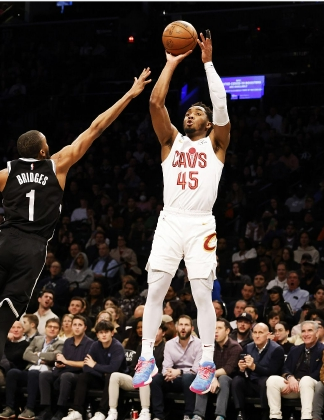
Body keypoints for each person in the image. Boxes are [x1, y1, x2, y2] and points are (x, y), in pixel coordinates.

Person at [0, 68, 151, 420]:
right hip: (32, 251)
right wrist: (130, 95)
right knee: (0, 329)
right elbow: (96, 128)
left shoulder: (3, 174)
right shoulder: (59, 163)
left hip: (1, 244)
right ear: (42, 150)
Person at [135, 31, 231, 395]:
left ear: (207, 124)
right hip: (170, 220)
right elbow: (156, 103)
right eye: (188, 112)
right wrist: (171, 62)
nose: (190, 115)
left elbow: (221, 107)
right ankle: (146, 355)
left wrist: (207, 63)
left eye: (197, 113)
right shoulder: (170, 142)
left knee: (202, 293)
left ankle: (207, 361)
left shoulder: (217, 144)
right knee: (155, 289)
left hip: (201, 223)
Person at [61, 320, 126, 420]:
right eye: (101, 332)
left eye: (106, 332)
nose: (104, 335)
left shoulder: (117, 347)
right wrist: (101, 372)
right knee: (84, 376)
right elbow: (87, 366)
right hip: (101, 378)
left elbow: (113, 368)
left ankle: (101, 412)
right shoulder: (95, 345)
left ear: (112, 333)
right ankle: (77, 411)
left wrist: (95, 365)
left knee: (110, 376)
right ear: (97, 334)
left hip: (117, 382)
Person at [0, 317, 64, 420]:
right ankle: (10, 408)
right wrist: (40, 360)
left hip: (45, 373)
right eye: (50, 327)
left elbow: (55, 356)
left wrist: (38, 354)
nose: (52, 329)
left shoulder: (61, 343)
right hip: (29, 370)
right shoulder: (37, 339)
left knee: (34, 373)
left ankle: (30, 409)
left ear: (59, 330)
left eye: (55, 327)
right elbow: (26, 354)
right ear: (45, 328)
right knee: (12, 372)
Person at [182, 318, 242, 420]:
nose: (215, 331)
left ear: (228, 331)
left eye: (219, 328)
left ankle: (220, 418)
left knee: (223, 378)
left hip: (230, 380)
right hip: (212, 378)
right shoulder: (209, 347)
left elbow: (228, 369)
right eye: (214, 329)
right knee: (202, 377)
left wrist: (212, 376)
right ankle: (198, 417)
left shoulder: (235, 347)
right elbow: (204, 365)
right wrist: (212, 377)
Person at [266, 321, 324, 420]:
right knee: (272, 380)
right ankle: (276, 419)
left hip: (311, 387)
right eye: (303, 331)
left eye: (309, 331)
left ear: (317, 333)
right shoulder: (295, 349)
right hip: (293, 386)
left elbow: (320, 372)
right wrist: (290, 378)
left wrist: (297, 381)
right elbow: (285, 367)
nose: (306, 334)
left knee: (306, 380)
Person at [35, 315, 93, 420]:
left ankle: (61, 410)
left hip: (79, 375)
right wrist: (59, 363)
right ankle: (46, 409)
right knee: (45, 375)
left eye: (80, 325)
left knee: (66, 376)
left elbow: (86, 364)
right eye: (74, 325)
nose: (76, 327)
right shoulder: (67, 342)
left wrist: (66, 362)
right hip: (64, 370)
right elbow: (63, 359)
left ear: (85, 327)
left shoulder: (90, 343)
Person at [148, 315, 202, 420]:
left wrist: (180, 372)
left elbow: (197, 369)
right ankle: (159, 417)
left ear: (192, 329)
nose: (183, 328)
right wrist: (169, 374)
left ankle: (188, 416)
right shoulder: (169, 344)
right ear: (176, 327)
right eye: (181, 325)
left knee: (188, 377)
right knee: (156, 378)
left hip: (192, 379)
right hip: (174, 378)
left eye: (186, 325)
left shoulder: (199, 344)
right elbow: (165, 366)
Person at [231, 322, 285, 420]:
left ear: (268, 335)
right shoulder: (247, 347)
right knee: (237, 380)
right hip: (251, 383)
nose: (257, 335)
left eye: (260, 332)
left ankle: (265, 419)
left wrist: (254, 367)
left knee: (265, 381)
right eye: (255, 332)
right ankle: (240, 415)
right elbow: (243, 373)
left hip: (267, 386)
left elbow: (273, 372)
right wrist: (242, 369)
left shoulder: (277, 349)